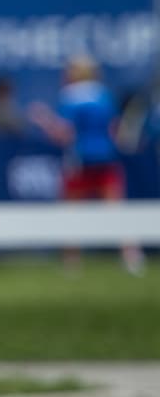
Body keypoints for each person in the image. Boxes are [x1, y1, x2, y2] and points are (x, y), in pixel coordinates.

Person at [28, 55, 145, 274]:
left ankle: (71, 263)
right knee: (117, 211)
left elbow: (65, 133)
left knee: (71, 214)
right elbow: (116, 129)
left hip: (80, 161)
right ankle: (131, 257)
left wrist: (43, 120)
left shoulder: (71, 97)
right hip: (107, 159)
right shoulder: (104, 95)